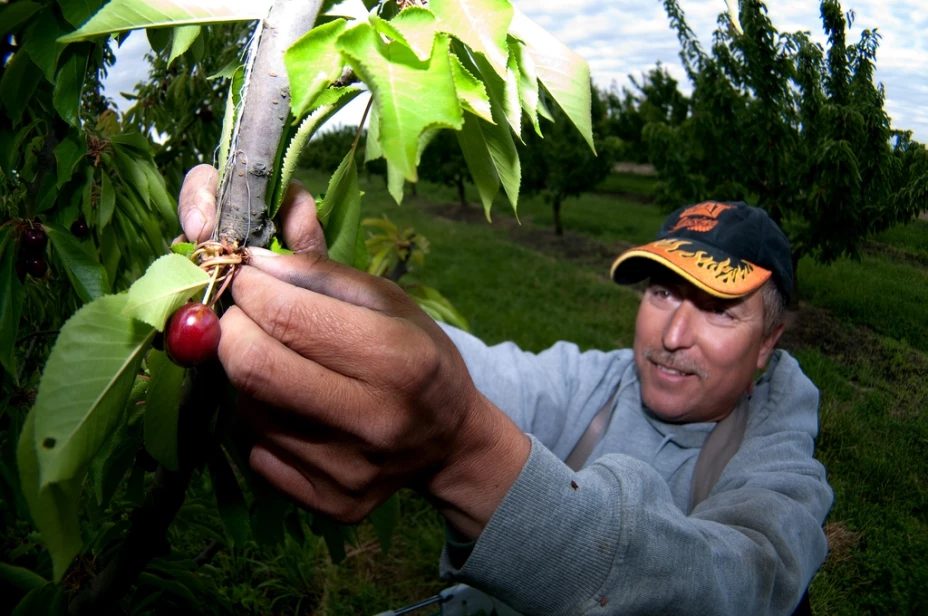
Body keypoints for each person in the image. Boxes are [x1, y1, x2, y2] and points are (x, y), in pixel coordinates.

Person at [177, 165, 834, 615]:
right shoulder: (600, 382)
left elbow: (741, 585)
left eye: (719, 310)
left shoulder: (776, 458)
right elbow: (474, 370)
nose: (674, 334)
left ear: (768, 343)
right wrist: (307, 287)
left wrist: (463, 454)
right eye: (662, 292)